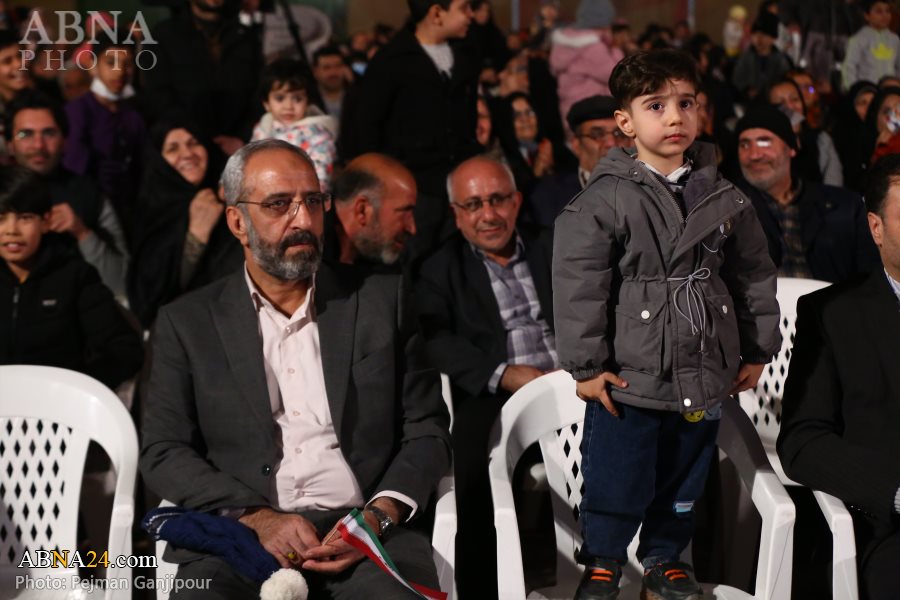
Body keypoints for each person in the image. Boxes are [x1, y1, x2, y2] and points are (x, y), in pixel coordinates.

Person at [139, 139, 450, 599]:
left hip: (364, 532)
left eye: (313, 202)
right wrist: (258, 518)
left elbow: (426, 428)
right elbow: (163, 450)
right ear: (237, 222)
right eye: (279, 204)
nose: (303, 220)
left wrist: (379, 515)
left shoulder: (380, 300)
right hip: (240, 538)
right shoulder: (188, 323)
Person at [552, 49, 780, 600]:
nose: (675, 117)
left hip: (703, 364)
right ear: (626, 122)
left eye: (686, 103)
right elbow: (579, 282)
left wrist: (756, 348)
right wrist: (587, 366)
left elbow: (752, 272)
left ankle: (664, 556)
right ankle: (604, 559)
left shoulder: (723, 195)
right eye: (656, 106)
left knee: (686, 469)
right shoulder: (606, 197)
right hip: (632, 371)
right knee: (616, 470)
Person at [416, 155, 555, 600]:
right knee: (469, 458)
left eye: (497, 199)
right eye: (474, 204)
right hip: (497, 393)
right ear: (456, 214)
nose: (488, 214)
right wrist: (504, 374)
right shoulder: (439, 268)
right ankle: (482, 588)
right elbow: (433, 339)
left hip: (576, 382)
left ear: (516, 201)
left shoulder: (554, 244)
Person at [777, 153, 900, 600]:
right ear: (876, 228)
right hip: (888, 528)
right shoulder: (832, 314)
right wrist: (895, 489)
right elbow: (803, 441)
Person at [352, 0, 481, 260]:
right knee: (414, 261)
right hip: (413, 189)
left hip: (458, 185)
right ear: (436, 13)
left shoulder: (465, 55)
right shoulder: (391, 60)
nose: (471, 15)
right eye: (464, 8)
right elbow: (364, 129)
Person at [0, 164, 142, 389]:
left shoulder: (75, 277)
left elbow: (125, 350)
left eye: (25, 218)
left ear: (45, 221)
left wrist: (75, 387)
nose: (11, 230)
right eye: (1, 218)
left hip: (58, 406)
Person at [5, 91, 129, 300]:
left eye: (49, 133)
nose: (38, 145)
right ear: (9, 144)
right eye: (26, 134)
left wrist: (82, 233)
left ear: (66, 141)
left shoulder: (90, 194)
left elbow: (121, 282)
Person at [734, 106, 879, 283]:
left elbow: (871, 277)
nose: (754, 155)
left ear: (792, 148)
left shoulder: (845, 207)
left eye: (765, 142)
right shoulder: (725, 212)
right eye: (744, 145)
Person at [128, 120, 242, 328]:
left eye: (194, 143)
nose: (188, 153)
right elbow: (149, 299)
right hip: (190, 330)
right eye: (173, 148)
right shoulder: (150, 212)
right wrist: (195, 237)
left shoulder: (231, 197)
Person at [142, 0, 263, 156]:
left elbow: (258, 93)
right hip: (186, 149)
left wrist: (241, 138)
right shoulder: (163, 34)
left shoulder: (246, 36)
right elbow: (157, 95)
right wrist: (196, 139)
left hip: (238, 148)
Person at [63, 37, 146, 239]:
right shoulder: (77, 112)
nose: (120, 71)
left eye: (127, 64)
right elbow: (73, 168)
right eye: (110, 63)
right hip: (89, 212)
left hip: (132, 211)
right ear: (93, 67)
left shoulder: (135, 115)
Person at [530, 95, 627, 228]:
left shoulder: (646, 188)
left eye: (619, 134)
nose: (611, 143)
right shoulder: (549, 195)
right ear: (576, 145)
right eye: (597, 134)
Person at [251, 59, 337, 192]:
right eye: (280, 98)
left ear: (308, 102)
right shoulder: (263, 127)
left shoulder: (318, 135)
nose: (288, 106)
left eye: (297, 99)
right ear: (266, 103)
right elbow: (247, 163)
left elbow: (320, 179)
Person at [328, 153, 417, 268]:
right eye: (404, 211)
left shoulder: (390, 262)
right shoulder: (310, 250)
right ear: (362, 211)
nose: (412, 229)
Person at [549, 0, 623, 126]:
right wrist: (614, 49)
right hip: (595, 109)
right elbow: (615, 74)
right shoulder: (593, 47)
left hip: (570, 106)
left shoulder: (563, 44)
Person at [767, 78, 843, 186]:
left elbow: (834, 187)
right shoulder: (762, 144)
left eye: (795, 99)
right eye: (781, 103)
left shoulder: (821, 140)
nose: (790, 107)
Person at [731, 11, 793, 101]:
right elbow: (737, 80)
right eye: (755, 34)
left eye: (764, 35)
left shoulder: (782, 61)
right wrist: (747, 90)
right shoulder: (745, 58)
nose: (758, 39)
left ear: (773, 38)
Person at [842, 0, 900, 92]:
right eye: (879, 12)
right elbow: (849, 67)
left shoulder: (895, 39)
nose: (885, 15)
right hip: (867, 91)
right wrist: (855, 91)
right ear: (867, 16)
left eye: (887, 11)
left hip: (890, 92)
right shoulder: (858, 39)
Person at [312, 45, 352, 122]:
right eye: (326, 67)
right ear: (315, 72)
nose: (333, 72)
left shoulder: (359, 97)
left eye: (338, 66)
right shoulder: (309, 101)